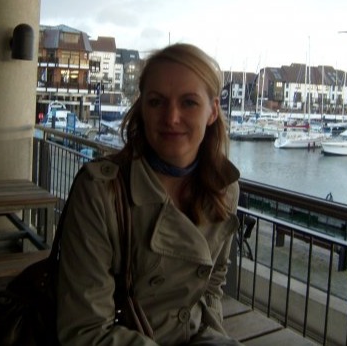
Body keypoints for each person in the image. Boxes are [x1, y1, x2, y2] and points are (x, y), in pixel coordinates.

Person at [56, 43, 243, 345]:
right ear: (142, 108)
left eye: (189, 103)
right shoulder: (99, 191)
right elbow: (86, 330)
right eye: (157, 102)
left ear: (212, 111)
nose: (171, 118)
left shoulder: (225, 188)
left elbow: (211, 288)